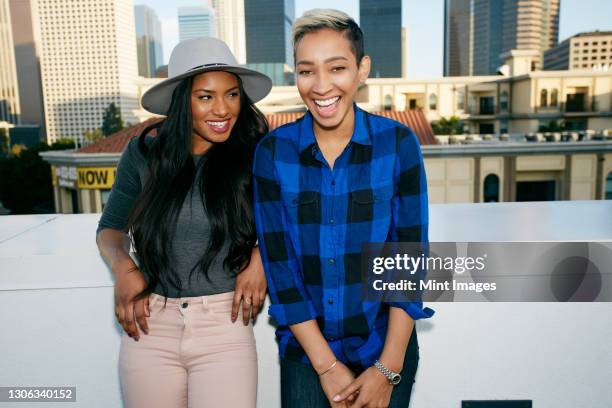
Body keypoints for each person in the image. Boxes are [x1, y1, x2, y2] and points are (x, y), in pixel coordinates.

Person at [253, 9, 434, 408]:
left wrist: (387, 368)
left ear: (362, 69)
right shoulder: (272, 152)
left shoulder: (398, 144)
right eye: (306, 71)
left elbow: (407, 259)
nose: (321, 86)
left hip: (385, 345)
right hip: (306, 350)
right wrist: (325, 364)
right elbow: (280, 269)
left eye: (336, 68)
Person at [96, 37, 272, 408]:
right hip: (149, 326)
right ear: (181, 101)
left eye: (232, 94)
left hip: (225, 325)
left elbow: (288, 224)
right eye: (205, 96)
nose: (222, 109)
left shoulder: (257, 155)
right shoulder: (143, 154)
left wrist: (260, 255)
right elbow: (110, 230)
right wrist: (124, 267)